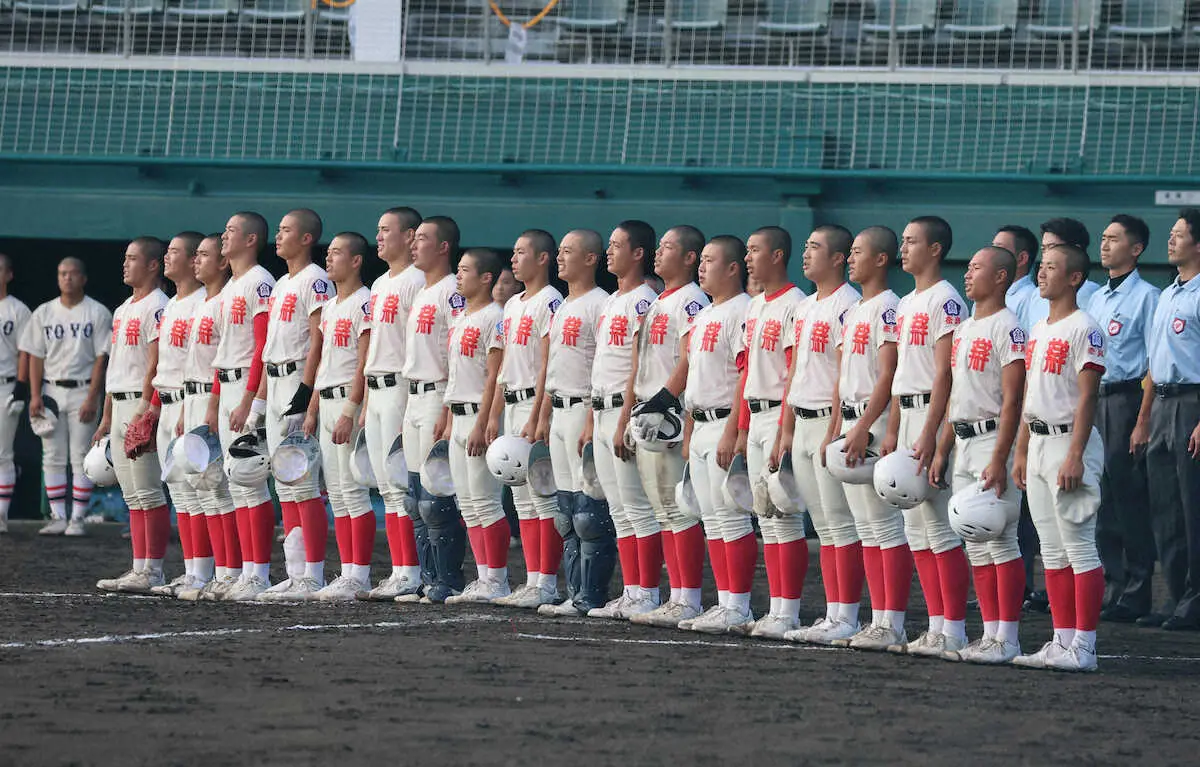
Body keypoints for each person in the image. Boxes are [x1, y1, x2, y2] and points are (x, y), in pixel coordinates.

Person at [1011, 243, 1106, 671]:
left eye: (1052, 267)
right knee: (1052, 551)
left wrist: (1076, 456)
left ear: (1075, 278)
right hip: (1039, 442)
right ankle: (1061, 640)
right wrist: (1021, 451)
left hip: (1070, 444)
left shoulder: (1086, 327)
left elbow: (1088, 399)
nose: (1042, 273)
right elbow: (1032, 396)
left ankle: (1083, 646)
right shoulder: (1038, 328)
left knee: (1080, 548)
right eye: (1042, 266)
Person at [930, 246, 1027, 664]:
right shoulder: (967, 326)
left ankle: (1007, 637)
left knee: (1002, 542)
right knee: (975, 543)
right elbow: (955, 397)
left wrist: (1001, 456)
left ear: (1002, 276)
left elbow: (1013, 400)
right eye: (967, 267)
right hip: (964, 440)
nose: (968, 274)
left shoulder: (1008, 327)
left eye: (977, 267)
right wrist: (941, 449)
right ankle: (989, 635)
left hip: (992, 442)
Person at [885, 215, 969, 657]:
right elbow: (903, 372)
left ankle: (953, 627)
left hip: (933, 419)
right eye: (903, 239)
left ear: (935, 249)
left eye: (912, 240)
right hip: (908, 416)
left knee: (940, 528)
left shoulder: (947, 301)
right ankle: (936, 625)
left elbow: (946, 375)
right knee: (916, 529)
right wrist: (896, 430)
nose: (904, 247)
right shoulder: (905, 303)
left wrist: (935, 435)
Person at [775, 226, 863, 645]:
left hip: (831, 422)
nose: (806, 254)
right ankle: (833, 614)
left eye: (815, 248)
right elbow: (795, 372)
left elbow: (843, 373)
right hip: (802, 421)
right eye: (806, 246)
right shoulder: (806, 306)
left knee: (841, 525)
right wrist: (785, 429)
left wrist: (832, 431)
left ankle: (847, 615)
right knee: (824, 527)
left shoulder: (850, 305)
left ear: (840, 258)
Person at [623, 226, 709, 629]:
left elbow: (688, 358)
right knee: (662, 511)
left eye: (669, 247)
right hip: (648, 411)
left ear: (690, 258)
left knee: (679, 509)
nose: (659, 253)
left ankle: (687, 597)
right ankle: (675, 595)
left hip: (667, 415)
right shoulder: (662, 298)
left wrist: (663, 403)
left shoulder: (691, 300)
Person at [829, 227, 911, 652]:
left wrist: (863, 427)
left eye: (859, 253)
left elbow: (890, 375)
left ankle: (891, 622)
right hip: (851, 421)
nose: (851, 259)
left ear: (881, 259)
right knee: (866, 528)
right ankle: (878, 619)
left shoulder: (888, 308)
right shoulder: (856, 309)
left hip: (872, 424)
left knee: (885, 528)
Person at [243, 209, 328, 603]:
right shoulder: (279, 284)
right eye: (277, 230)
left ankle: (312, 574)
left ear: (307, 238)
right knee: (285, 482)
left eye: (286, 230)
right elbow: (267, 350)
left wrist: (305, 393)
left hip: (296, 379)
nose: (278, 236)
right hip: (274, 379)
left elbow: (318, 340)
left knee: (304, 482)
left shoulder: (317, 280)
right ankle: (295, 574)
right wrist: (258, 403)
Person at [677, 235, 755, 634]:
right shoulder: (705, 313)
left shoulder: (741, 310)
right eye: (701, 260)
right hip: (702, 423)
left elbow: (743, 374)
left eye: (710, 261)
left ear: (732, 268)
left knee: (733, 519)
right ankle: (725, 602)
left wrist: (734, 431)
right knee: (713, 520)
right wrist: (689, 429)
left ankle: (739, 606)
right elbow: (694, 379)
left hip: (725, 423)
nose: (702, 268)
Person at [536, 229, 612, 617]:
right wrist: (545, 414)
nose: (560, 258)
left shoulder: (601, 304)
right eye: (559, 251)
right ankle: (574, 592)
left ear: (590, 259)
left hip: (585, 408)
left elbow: (603, 366)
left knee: (589, 512)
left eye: (568, 252)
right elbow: (553, 368)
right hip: (560, 410)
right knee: (565, 511)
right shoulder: (564, 305)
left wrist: (592, 421)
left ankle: (592, 595)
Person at [585, 221, 659, 620]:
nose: (609, 252)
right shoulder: (614, 298)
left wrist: (625, 417)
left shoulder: (645, 299)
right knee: (619, 508)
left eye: (617, 246)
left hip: (622, 410)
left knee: (637, 506)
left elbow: (637, 366)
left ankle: (645, 592)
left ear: (638, 253)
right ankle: (632, 591)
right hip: (599, 407)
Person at [1086, 214, 1159, 622]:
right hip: (1094, 398)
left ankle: (1137, 588)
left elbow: (1153, 360)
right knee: (1101, 497)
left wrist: (1143, 418)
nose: (1105, 245)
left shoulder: (1148, 297)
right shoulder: (1096, 296)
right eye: (1103, 237)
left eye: (1114, 239)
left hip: (1126, 397)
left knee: (1128, 497)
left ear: (1136, 249)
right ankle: (1111, 585)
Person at [200, 212, 274, 600]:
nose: (224, 236)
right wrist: (214, 403)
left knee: (250, 483)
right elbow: (220, 349)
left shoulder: (260, 281)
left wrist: (250, 399)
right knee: (233, 483)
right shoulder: (231, 285)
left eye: (231, 231)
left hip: (246, 383)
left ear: (250, 240)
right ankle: (240, 572)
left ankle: (257, 574)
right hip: (227, 384)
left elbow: (262, 346)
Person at [738, 226, 807, 640]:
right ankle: (778, 608)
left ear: (777, 255)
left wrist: (785, 429)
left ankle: (789, 610)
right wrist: (741, 427)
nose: (748, 258)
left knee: (785, 515)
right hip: (755, 415)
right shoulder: (756, 305)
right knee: (766, 516)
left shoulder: (794, 304)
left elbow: (794, 373)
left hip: (781, 417)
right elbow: (746, 371)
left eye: (755, 250)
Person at [489, 230, 564, 609]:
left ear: (543, 259)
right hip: (514, 402)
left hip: (536, 405)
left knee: (542, 498)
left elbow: (548, 364)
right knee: (523, 503)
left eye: (522, 253)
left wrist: (540, 416)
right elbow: (505, 366)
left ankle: (546, 582)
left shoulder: (550, 301)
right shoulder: (514, 303)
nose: (514, 259)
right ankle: (533, 578)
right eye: (513, 253)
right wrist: (494, 414)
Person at [94, 237, 171, 593]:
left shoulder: (158, 306)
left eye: (132, 259)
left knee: (149, 491)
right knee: (132, 494)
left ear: (153, 265)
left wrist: (147, 408)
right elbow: (116, 366)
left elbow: (158, 362)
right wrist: (106, 416)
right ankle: (139, 567)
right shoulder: (124, 307)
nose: (125, 264)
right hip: (120, 401)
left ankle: (152, 570)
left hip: (142, 404)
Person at [301, 232, 373, 601]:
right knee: (339, 493)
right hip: (325, 398)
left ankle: (358, 574)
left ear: (356, 260)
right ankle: (347, 572)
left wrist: (349, 410)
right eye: (327, 253)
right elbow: (326, 361)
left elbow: (363, 361)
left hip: (348, 399)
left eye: (336, 254)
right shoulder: (329, 306)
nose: (328, 259)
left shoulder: (364, 302)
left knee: (353, 491)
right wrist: (312, 411)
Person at [397, 216, 466, 604]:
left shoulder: (450, 292)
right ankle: (428, 577)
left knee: (435, 497)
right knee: (413, 496)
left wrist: (448, 407)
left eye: (422, 239)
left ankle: (449, 579)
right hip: (414, 395)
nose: (414, 245)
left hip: (438, 394)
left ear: (443, 247)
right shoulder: (421, 292)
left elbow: (455, 352)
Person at [359, 207, 426, 601]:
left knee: (404, 483)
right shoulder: (381, 282)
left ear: (410, 235)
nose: (379, 237)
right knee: (386, 485)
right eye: (378, 230)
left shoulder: (417, 281)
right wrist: (366, 401)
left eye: (387, 230)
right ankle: (402, 569)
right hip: (377, 386)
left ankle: (413, 571)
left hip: (403, 385)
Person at [21, 257, 111, 536]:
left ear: (83, 278)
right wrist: (35, 395)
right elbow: (35, 355)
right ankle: (58, 516)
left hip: (84, 388)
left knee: (81, 455)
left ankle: (78, 518)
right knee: (53, 456)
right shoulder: (44, 312)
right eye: (62, 273)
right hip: (51, 389)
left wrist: (92, 398)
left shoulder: (96, 312)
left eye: (72, 273)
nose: (67, 278)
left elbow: (101, 358)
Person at [1141, 208, 1200, 631]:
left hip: (1192, 404)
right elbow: (1153, 364)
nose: (1171, 240)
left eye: (1179, 235)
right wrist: (1143, 418)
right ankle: (1177, 597)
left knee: (1193, 506)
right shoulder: (1168, 294)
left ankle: (1194, 600)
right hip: (1161, 403)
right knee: (1164, 508)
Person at [442, 248, 508, 605]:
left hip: (478, 418)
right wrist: (450, 418)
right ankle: (483, 577)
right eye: (458, 269)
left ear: (486, 278)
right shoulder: (460, 317)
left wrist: (485, 422)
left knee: (485, 501)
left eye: (466, 270)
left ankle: (496, 579)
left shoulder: (494, 317)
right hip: (459, 414)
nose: (459, 276)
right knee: (467, 503)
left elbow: (495, 376)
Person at [145, 232, 209, 597]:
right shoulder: (170, 304)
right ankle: (191, 570)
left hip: (190, 400)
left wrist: (186, 407)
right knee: (180, 491)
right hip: (167, 401)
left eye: (175, 253)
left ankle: (205, 571)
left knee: (200, 490)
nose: (168, 259)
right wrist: (152, 407)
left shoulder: (201, 300)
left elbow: (197, 363)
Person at [178, 234, 238, 602]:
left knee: (221, 489)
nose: (196, 261)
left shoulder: (225, 301)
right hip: (192, 396)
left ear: (223, 263)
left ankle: (229, 572)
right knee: (201, 492)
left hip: (214, 396)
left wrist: (212, 407)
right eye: (195, 254)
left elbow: (225, 356)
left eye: (204, 255)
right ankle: (203, 573)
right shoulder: (202, 302)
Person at [1019, 218, 1102, 330]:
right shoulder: (1036, 295)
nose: (1047, 254)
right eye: (1044, 249)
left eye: (1053, 247)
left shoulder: (1095, 296)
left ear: (1076, 250)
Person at [0, 254, 31, 533]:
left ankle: (1, 514)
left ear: (9, 274)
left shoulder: (18, 310)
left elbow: (25, 352)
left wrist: (20, 388)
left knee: (2, 453)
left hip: (4, 385)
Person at [993, 225, 1039, 317]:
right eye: (993, 247)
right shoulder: (989, 293)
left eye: (999, 249)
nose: (991, 254)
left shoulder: (1029, 298)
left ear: (1021, 258)